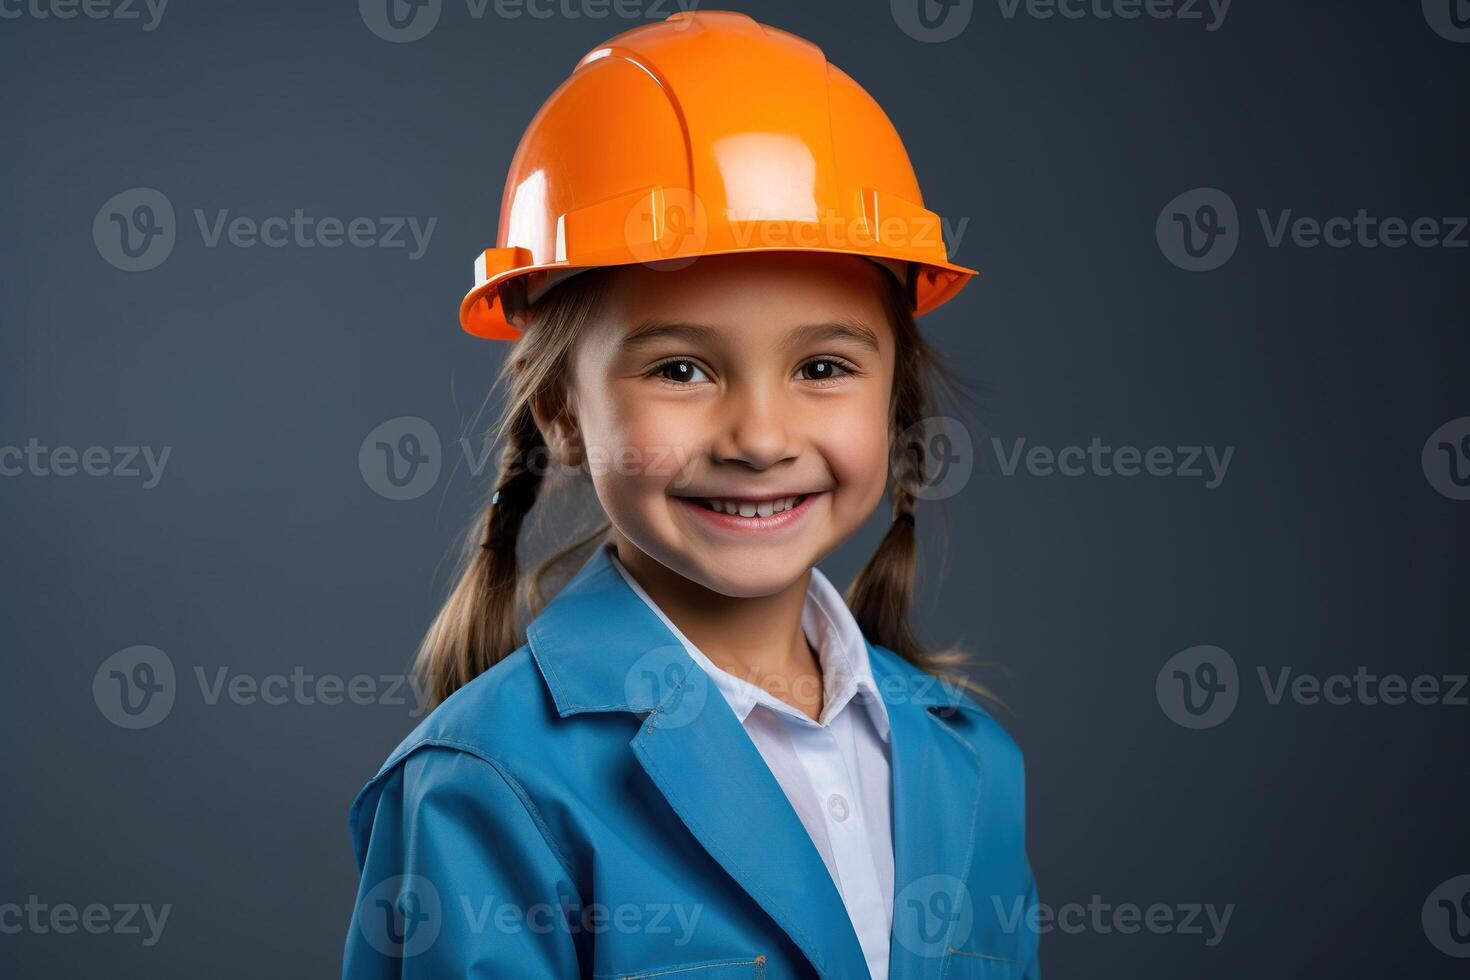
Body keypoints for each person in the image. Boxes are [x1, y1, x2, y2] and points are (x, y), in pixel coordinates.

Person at [342, 10, 1039, 978]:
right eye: (679, 369)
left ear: (895, 399)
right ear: (561, 410)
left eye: (824, 365)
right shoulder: (483, 789)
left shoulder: (972, 766)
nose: (759, 436)